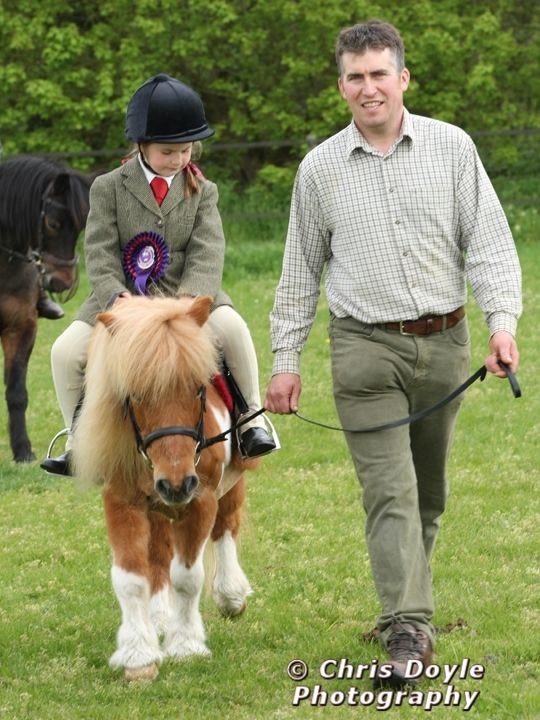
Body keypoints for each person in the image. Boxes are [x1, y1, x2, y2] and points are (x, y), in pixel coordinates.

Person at [264, 20, 521, 688]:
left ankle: (410, 607)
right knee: (391, 492)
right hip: (364, 351)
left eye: (379, 73)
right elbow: (298, 273)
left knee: (427, 494)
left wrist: (502, 324)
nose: (368, 88)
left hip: (445, 344)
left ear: (403, 78)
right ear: (341, 86)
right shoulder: (319, 170)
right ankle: (407, 629)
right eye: (355, 77)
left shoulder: (452, 148)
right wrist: (285, 361)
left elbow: (489, 242)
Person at [41, 73, 276, 476]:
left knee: (235, 330)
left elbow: (208, 250)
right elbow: (98, 250)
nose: (179, 160)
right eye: (169, 152)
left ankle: (251, 421)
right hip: (124, 302)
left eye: (186, 150)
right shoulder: (107, 188)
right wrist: (116, 297)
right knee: (64, 352)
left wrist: (190, 299)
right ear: (141, 146)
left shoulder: (204, 191)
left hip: (189, 298)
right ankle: (77, 442)